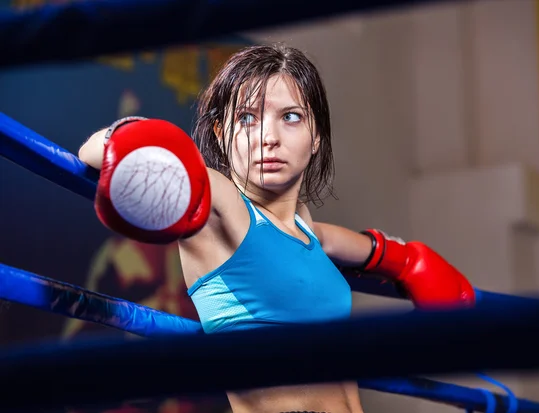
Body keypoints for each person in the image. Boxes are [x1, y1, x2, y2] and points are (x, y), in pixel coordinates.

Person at [78, 43, 476, 413]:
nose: (268, 138)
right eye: (247, 119)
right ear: (221, 134)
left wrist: (406, 261)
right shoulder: (223, 204)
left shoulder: (304, 228)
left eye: (290, 117)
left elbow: (357, 247)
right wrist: (130, 141)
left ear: (315, 135)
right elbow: (93, 151)